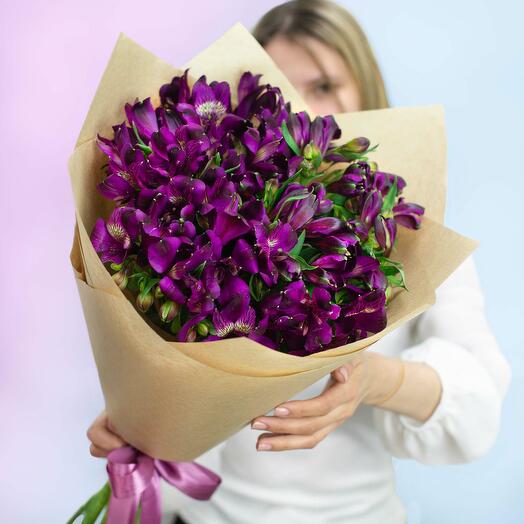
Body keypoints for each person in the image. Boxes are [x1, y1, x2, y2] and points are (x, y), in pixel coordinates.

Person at [86, 1, 511, 523]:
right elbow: (173, 380)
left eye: (324, 85)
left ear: (366, 89)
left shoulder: (414, 237)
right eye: (283, 86)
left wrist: (373, 380)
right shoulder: (227, 209)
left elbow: (478, 412)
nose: (304, 107)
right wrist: (137, 422)